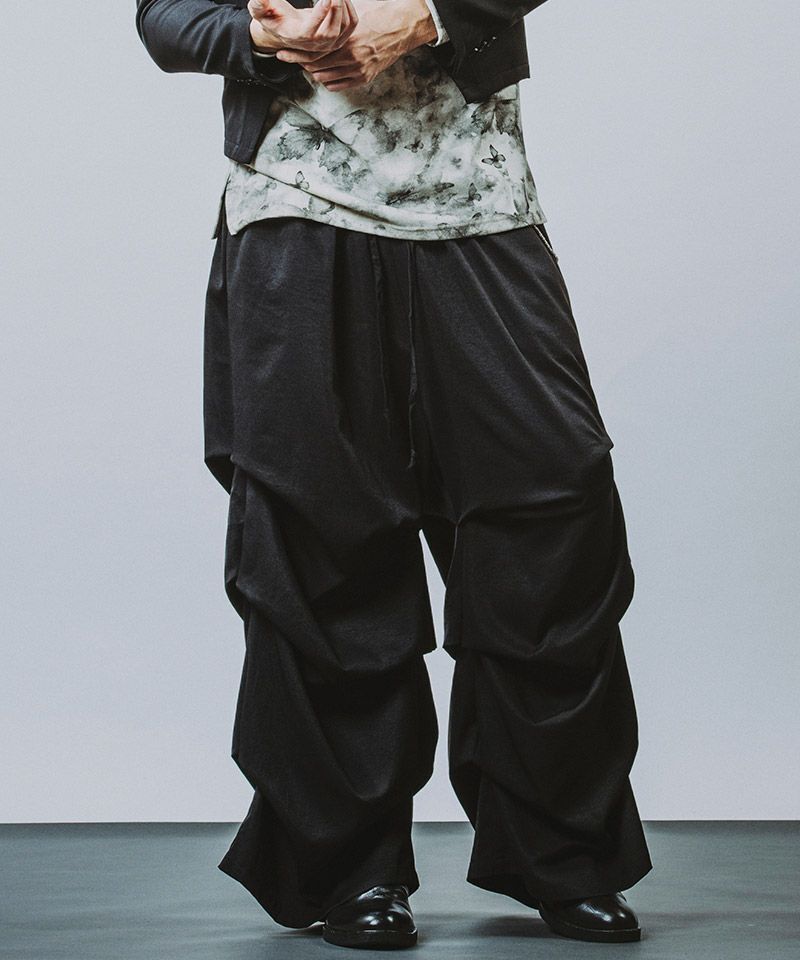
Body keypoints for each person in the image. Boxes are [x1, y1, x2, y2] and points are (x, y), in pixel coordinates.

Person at [135, 0, 653, 948]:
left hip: (478, 205)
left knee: (550, 520)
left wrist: (422, 15)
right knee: (322, 541)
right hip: (294, 213)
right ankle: (353, 870)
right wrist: (268, 38)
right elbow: (166, 16)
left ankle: (563, 853)